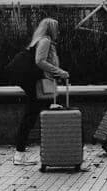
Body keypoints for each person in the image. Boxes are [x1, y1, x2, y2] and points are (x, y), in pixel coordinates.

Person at [12, 18, 70, 166]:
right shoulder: (45, 41)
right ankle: (20, 154)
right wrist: (60, 72)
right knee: (33, 115)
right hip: (39, 84)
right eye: (56, 28)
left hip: (39, 83)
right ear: (51, 29)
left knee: (34, 115)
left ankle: (23, 153)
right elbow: (40, 61)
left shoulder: (39, 41)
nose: (58, 31)